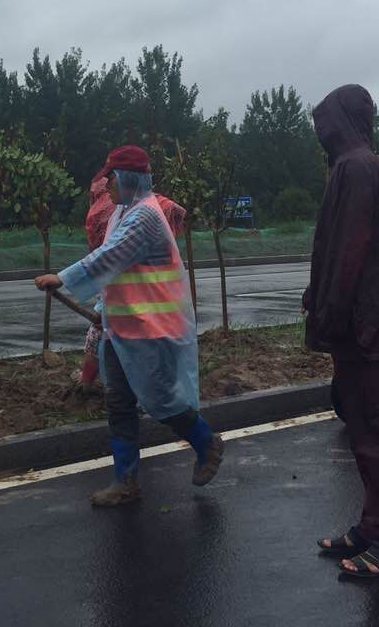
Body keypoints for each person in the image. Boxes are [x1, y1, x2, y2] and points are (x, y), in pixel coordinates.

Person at [35, 145, 224, 507]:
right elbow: (117, 272)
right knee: (119, 403)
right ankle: (125, 482)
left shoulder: (145, 216)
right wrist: (103, 309)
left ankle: (206, 443)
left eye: (112, 179)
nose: (107, 186)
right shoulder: (123, 213)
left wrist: (63, 278)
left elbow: (111, 256)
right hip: (122, 330)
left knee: (161, 400)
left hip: (152, 330)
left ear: (128, 179)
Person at [304, 85, 379, 580]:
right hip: (369, 323)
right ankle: (375, 526)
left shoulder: (355, 168)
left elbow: (348, 252)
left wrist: (326, 311)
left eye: (324, 122)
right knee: (368, 434)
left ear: (342, 121)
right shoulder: (369, 165)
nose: (320, 133)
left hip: (368, 325)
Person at [79, 177, 186, 386]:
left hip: (136, 300)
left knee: (103, 338)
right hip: (143, 300)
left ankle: (88, 382)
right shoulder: (128, 210)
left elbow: (106, 255)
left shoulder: (135, 213)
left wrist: (62, 279)